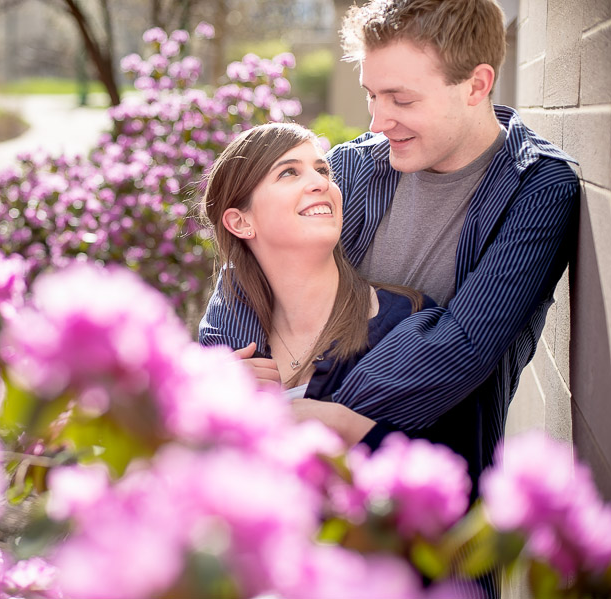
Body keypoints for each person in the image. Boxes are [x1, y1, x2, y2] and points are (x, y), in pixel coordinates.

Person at [200, 0, 579, 548]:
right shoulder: (355, 166)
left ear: (476, 85)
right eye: (372, 96)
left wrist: (308, 413)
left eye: (401, 99)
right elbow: (255, 266)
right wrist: (221, 376)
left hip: (426, 513)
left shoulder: (537, 189)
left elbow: (460, 351)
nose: (377, 121)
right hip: (290, 510)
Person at [202, 122, 443, 452]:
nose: (320, 183)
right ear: (241, 222)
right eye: (288, 173)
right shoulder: (227, 347)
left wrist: (345, 424)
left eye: (322, 170)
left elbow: (454, 474)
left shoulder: (410, 325)